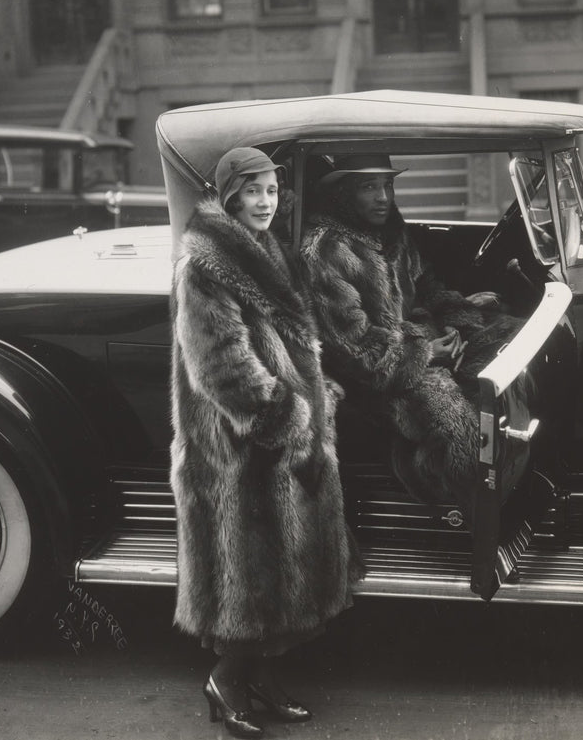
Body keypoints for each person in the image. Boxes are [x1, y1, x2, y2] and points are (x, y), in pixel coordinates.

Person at [169, 146, 361, 739]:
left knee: (281, 575)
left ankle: (261, 681)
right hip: (236, 448)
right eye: (252, 191)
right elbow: (222, 367)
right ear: (229, 195)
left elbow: (287, 343)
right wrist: (290, 420)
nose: (264, 202)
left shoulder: (265, 249)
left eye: (272, 191)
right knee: (246, 578)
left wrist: (316, 393)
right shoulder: (205, 265)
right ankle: (226, 681)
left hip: (278, 439)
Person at [300, 153, 518, 516]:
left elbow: (428, 287)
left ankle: (517, 484)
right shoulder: (326, 250)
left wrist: (457, 324)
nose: (384, 197)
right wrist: (426, 353)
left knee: (510, 338)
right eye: (369, 187)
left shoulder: (391, 232)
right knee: (454, 418)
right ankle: (463, 513)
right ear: (342, 193)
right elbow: (353, 348)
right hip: (373, 380)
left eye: (388, 185)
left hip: (421, 344)